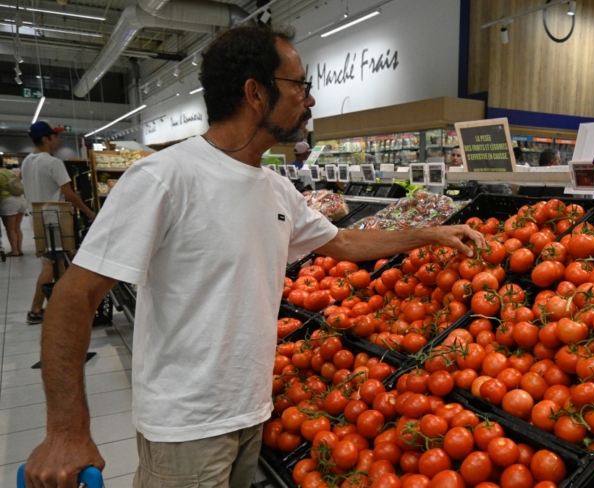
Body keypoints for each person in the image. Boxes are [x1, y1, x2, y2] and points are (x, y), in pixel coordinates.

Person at [24, 25, 484, 488]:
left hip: (252, 412)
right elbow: (74, 297)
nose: (310, 100)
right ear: (255, 93)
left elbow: (343, 244)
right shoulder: (163, 178)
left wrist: (431, 233)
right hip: (187, 428)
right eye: (300, 86)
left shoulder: (277, 188)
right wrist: (66, 430)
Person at [20, 121, 96, 324]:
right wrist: (89, 212)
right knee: (51, 262)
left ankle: (63, 305)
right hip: (54, 218)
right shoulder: (53, 163)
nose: (59, 139)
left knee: (59, 262)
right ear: (45, 139)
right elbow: (69, 194)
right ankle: (36, 310)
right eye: (56, 136)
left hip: (38, 218)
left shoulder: (28, 160)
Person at [0, 165, 27, 256]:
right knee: (17, 227)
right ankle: (19, 250)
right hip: (21, 199)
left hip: (8, 201)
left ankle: (14, 251)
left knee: (10, 228)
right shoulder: (10, 172)